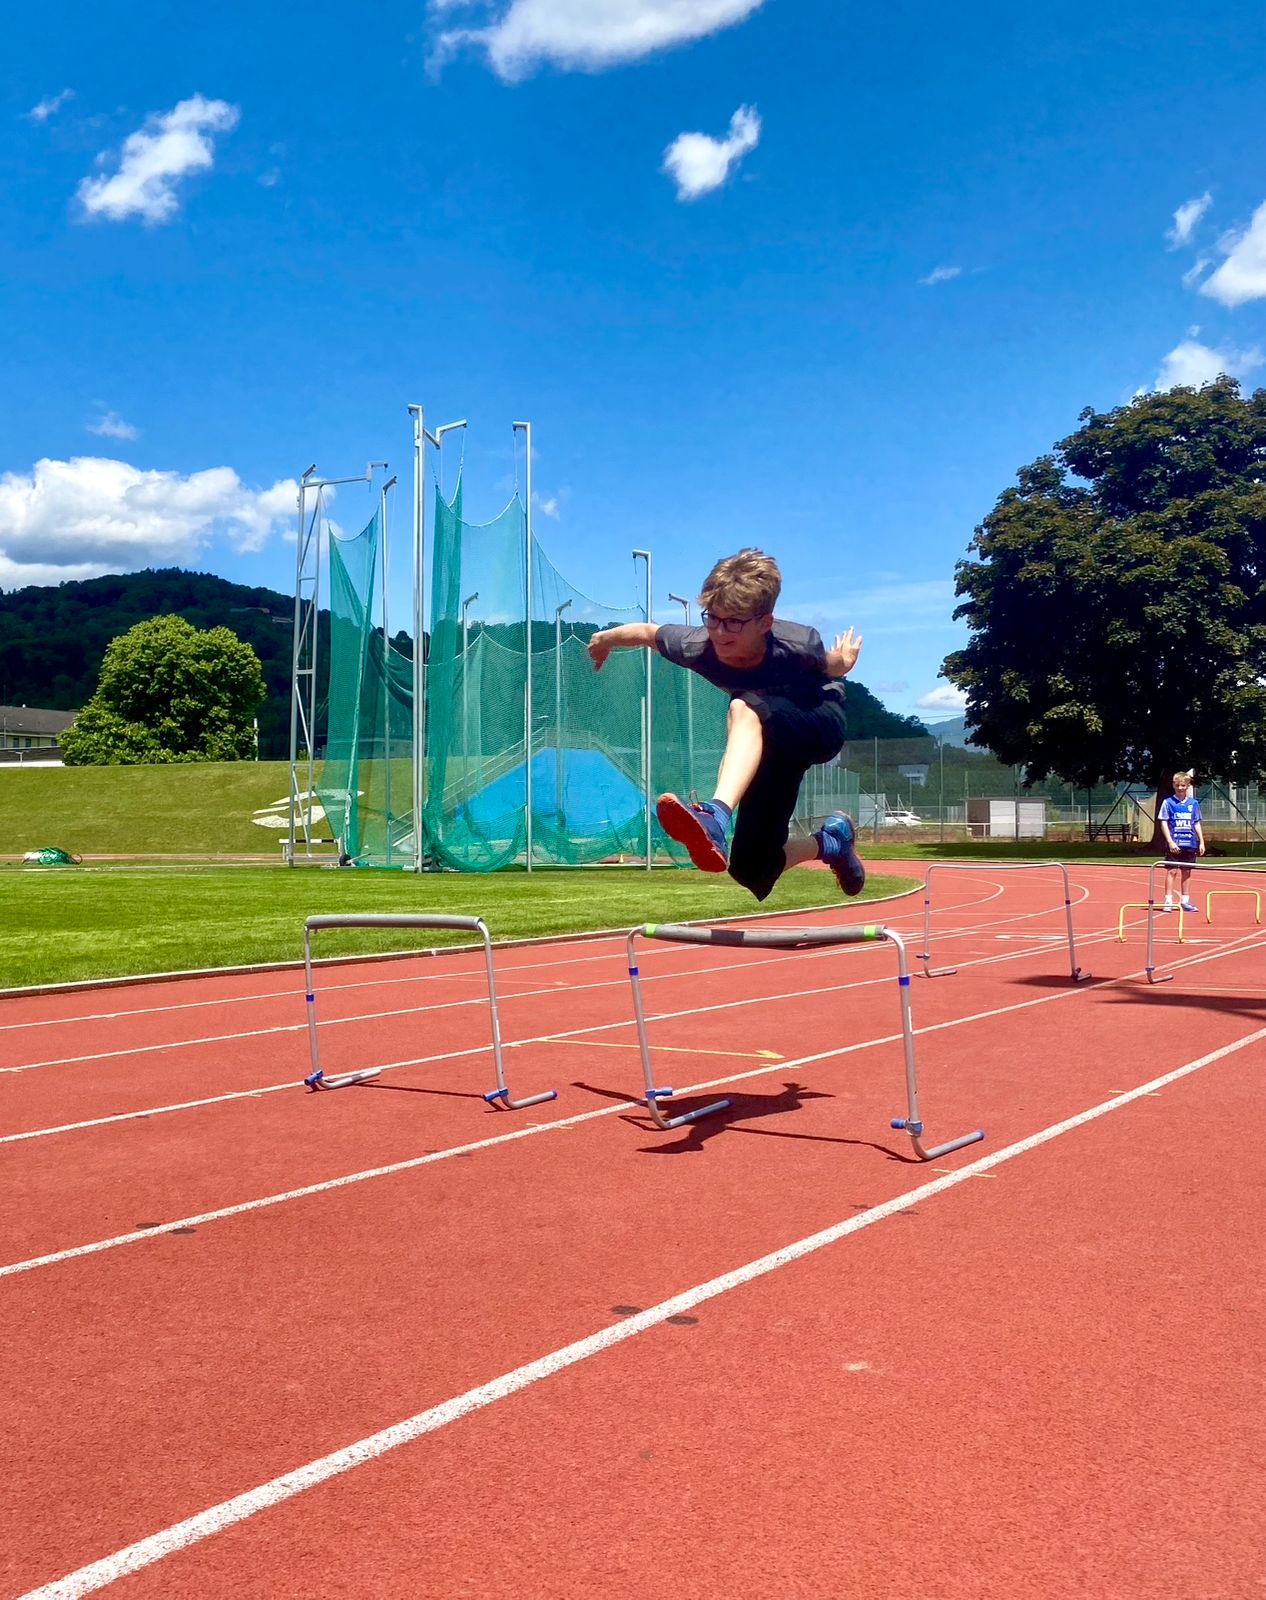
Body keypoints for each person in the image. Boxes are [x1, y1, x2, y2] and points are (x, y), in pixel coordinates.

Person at [586, 547, 866, 901]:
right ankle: (832, 841)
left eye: (733, 622)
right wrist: (604, 640)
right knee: (752, 868)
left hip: (817, 723)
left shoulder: (797, 643)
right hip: (771, 745)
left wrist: (841, 662)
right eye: (713, 618)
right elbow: (646, 632)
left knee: (743, 705)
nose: (719, 632)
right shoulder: (697, 645)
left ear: (765, 623)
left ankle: (716, 814)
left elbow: (826, 665)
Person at [1157, 770, 1205, 913]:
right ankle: (1168, 901)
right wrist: (1170, 842)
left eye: (1183, 785)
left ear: (1188, 786)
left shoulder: (1193, 803)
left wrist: (1201, 841)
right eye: (1177, 785)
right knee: (1172, 871)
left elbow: (1196, 823)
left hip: (1190, 843)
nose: (1180, 788)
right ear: (1173, 785)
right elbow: (1163, 822)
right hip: (1175, 843)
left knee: (1187, 871)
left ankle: (1185, 901)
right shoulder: (1168, 802)